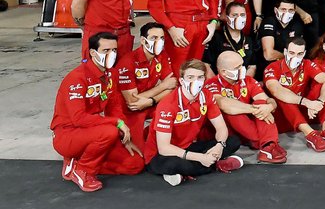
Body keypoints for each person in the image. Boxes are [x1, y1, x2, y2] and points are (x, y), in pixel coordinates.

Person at [52, 32, 146, 192]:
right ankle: (83, 171)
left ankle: (78, 163)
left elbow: (114, 107)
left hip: (93, 131)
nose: (111, 54)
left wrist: (124, 135)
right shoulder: (77, 78)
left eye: (114, 50)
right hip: (67, 134)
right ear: (93, 53)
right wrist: (117, 123)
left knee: (135, 164)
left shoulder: (111, 74)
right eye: (106, 50)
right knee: (109, 132)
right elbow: (79, 119)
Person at [143, 59, 243, 186]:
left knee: (233, 141)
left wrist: (219, 146)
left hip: (187, 147)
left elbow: (221, 128)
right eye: (190, 77)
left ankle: (188, 171)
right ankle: (215, 165)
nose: (196, 81)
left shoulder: (207, 96)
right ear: (181, 81)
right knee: (176, 164)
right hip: (160, 155)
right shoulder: (167, 105)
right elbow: (164, 148)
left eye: (200, 77)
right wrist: (201, 157)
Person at [205, 51, 288, 164]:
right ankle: (267, 143)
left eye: (242, 65)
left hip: (247, 127)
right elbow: (223, 104)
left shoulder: (248, 80)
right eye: (237, 67)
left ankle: (268, 146)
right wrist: (256, 109)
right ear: (224, 71)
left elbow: (265, 99)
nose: (242, 69)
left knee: (261, 102)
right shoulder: (211, 84)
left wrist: (270, 106)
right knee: (233, 109)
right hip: (226, 131)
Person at [263, 38, 325, 152]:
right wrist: (307, 102)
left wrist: (319, 102)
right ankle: (311, 135)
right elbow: (276, 91)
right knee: (284, 96)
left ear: (304, 53)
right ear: (285, 52)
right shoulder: (272, 68)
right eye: (291, 53)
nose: (295, 57)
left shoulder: (307, 64)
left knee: (320, 86)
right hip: (282, 117)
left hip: (306, 112)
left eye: (299, 54)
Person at [115, 22, 177, 152]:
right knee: (137, 156)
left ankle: (152, 135)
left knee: (176, 108)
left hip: (148, 104)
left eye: (162, 38)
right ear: (143, 40)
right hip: (129, 110)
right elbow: (132, 101)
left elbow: (173, 86)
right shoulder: (128, 62)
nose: (159, 42)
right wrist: (162, 86)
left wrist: (151, 101)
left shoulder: (162, 55)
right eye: (154, 38)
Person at [204, 1, 260, 77]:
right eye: (235, 15)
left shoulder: (248, 40)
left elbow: (252, 66)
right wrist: (217, 83)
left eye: (242, 15)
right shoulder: (216, 38)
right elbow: (206, 65)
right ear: (227, 18)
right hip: (219, 81)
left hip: (242, 82)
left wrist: (244, 82)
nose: (239, 18)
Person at [258, 0, 306, 70]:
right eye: (283, 9)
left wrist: (291, 57)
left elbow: (299, 50)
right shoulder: (269, 22)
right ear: (275, 10)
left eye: (290, 10)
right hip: (269, 66)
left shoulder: (297, 25)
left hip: (290, 66)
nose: (287, 13)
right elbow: (268, 55)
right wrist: (289, 56)